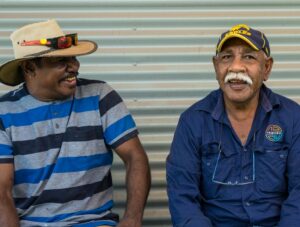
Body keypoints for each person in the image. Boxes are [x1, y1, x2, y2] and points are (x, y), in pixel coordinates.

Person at [0, 19, 151, 227]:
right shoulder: (4, 112)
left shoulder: (100, 95)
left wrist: (132, 220)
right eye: (61, 61)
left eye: (74, 58)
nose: (74, 67)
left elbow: (135, 157)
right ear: (29, 67)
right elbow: (2, 193)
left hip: (94, 222)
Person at [166, 24, 300, 227]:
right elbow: (183, 198)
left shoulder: (292, 118)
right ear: (215, 66)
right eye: (227, 57)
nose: (236, 67)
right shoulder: (193, 122)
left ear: (267, 68)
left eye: (249, 57)